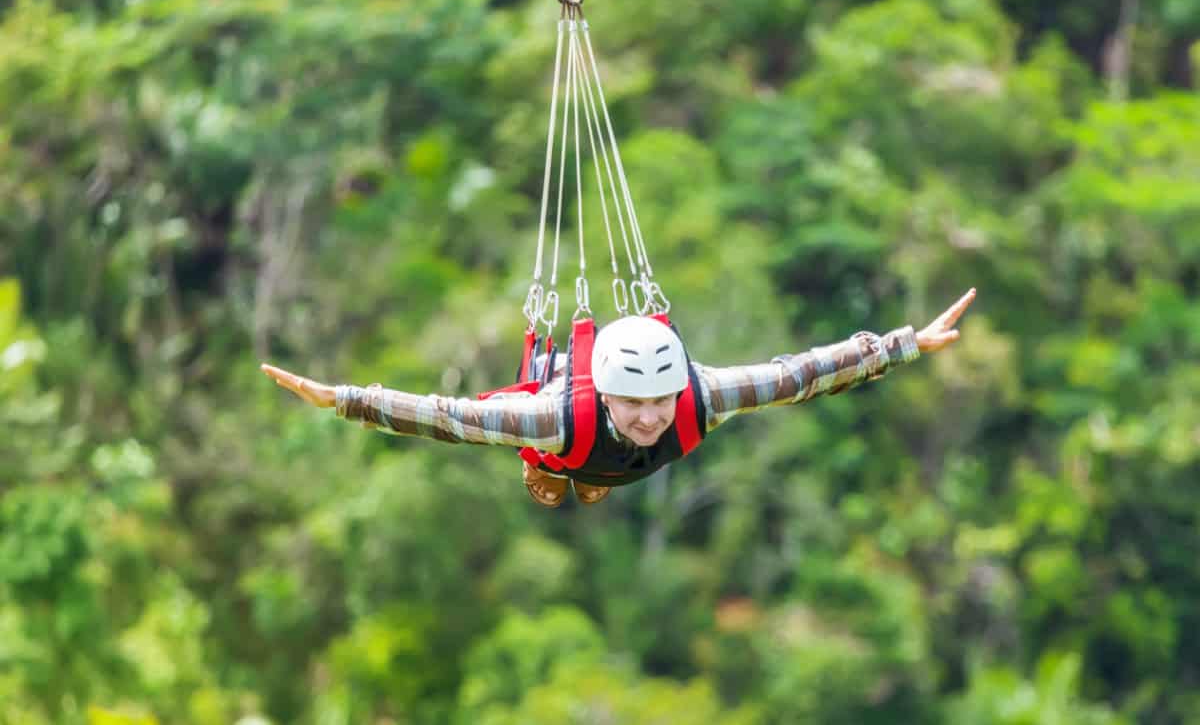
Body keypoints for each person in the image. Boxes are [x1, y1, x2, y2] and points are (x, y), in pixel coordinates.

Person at [262, 288, 976, 508]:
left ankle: (582, 479)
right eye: (633, 405)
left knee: (611, 463)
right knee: (555, 464)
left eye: (659, 402)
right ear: (604, 395)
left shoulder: (702, 397)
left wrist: (906, 342)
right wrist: (345, 399)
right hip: (565, 446)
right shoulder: (551, 415)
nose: (649, 416)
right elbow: (449, 418)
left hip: (598, 456)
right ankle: (555, 474)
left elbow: (802, 374)